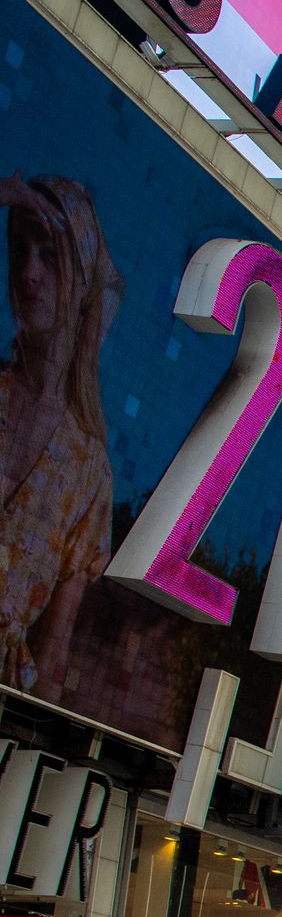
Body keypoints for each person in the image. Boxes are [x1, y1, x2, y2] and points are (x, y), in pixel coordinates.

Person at [0, 174, 120, 700]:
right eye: (18, 250)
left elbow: (57, 647)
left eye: (49, 255)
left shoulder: (87, 466)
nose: (29, 274)